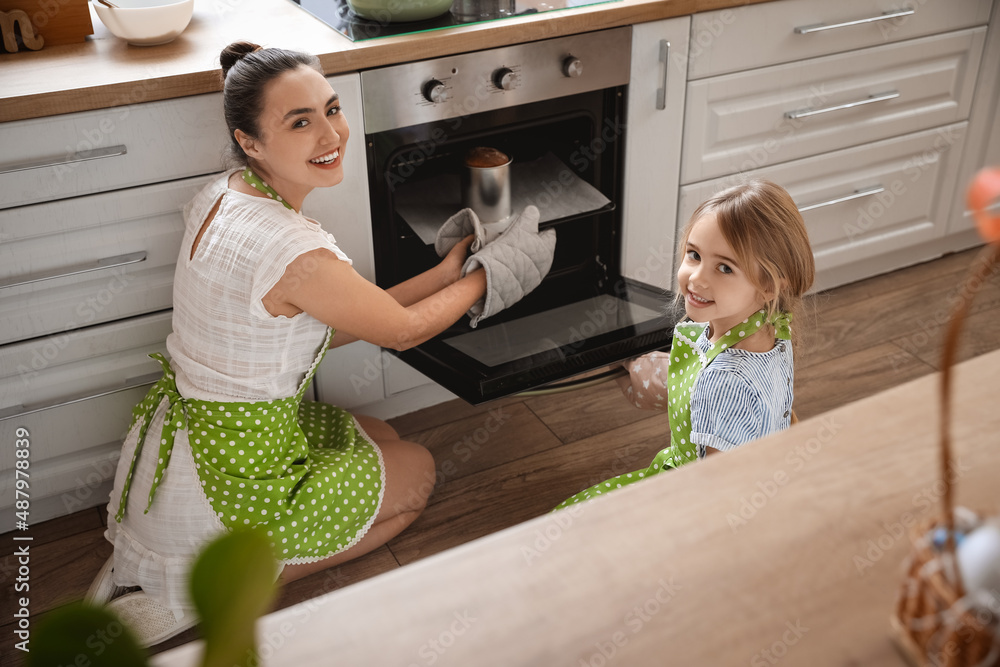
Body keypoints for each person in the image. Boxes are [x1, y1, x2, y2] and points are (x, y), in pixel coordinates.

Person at [88, 41, 551, 645]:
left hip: (188, 441)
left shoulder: (225, 195)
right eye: (300, 122)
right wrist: (495, 275)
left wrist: (448, 273)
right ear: (250, 141)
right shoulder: (293, 250)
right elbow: (403, 331)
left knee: (384, 437)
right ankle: (230, 583)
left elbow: (335, 321)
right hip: (236, 479)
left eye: (331, 109)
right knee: (419, 476)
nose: (330, 133)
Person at [555, 179, 815, 509]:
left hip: (691, 500)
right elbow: (781, 417)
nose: (696, 278)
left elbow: (715, 498)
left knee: (575, 518)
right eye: (694, 255)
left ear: (768, 286)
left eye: (724, 267)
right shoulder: (774, 327)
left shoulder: (723, 382)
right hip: (760, 486)